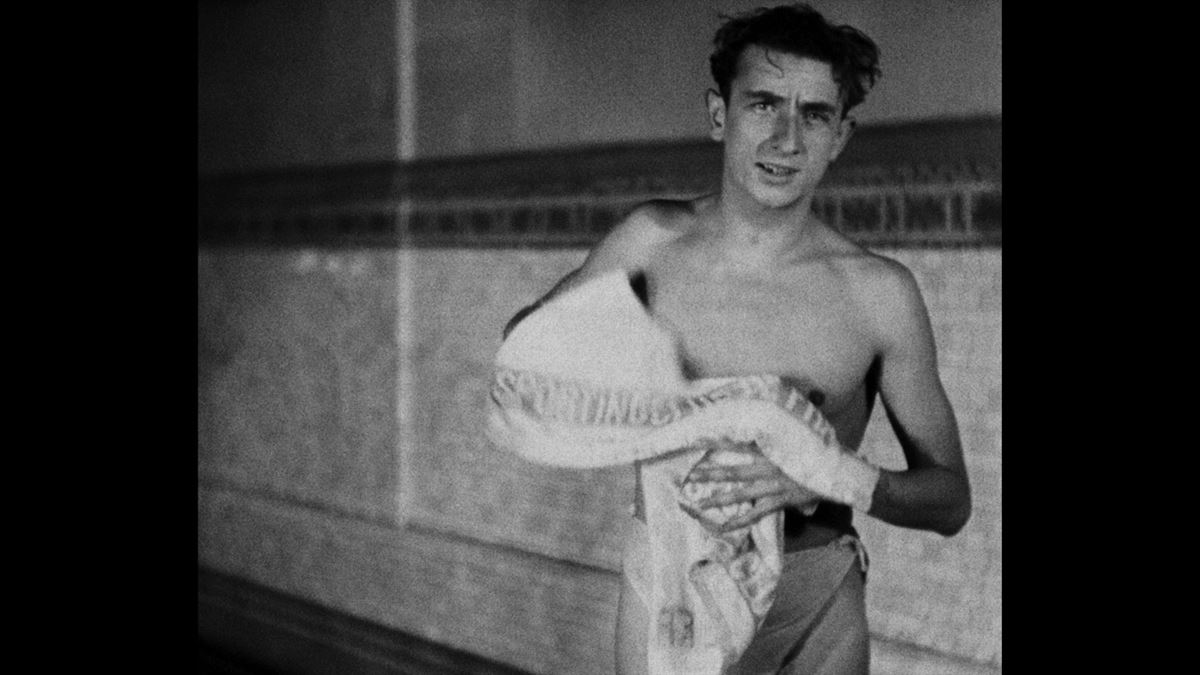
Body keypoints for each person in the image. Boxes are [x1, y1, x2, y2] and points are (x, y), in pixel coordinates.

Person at [503, 4, 971, 673]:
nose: (786, 138)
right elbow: (522, 361)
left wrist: (827, 474)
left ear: (840, 135)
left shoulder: (880, 294)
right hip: (671, 589)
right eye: (763, 105)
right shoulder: (650, 244)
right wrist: (622, 373)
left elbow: (950, 501)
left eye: (814, 114)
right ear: (719, 114)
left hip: (815, 604)